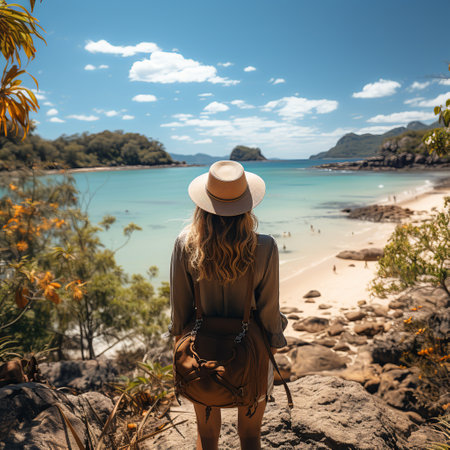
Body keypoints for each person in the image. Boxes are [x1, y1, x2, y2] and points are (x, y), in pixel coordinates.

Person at [170, 160, 287, 450]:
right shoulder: (265, 246)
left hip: (200, 353)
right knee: (250, 437)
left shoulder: (185, 244)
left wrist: (182, 353)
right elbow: (270, 310)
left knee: (207, 437)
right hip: (251, 349)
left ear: (203, 204)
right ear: (247, 205)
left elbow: (180, 310)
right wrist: (269, 349)